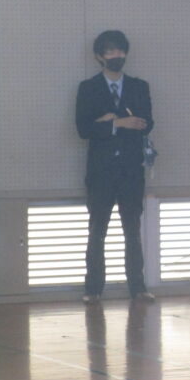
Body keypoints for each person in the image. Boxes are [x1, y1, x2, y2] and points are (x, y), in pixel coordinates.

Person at [75, 29, 154, 303]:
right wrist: (119, 123)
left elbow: (147, 123)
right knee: (97, 230)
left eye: (120, 50)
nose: (116, 55)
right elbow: (83, 129)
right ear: (100, 56)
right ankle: (93, 289)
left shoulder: (139, 86)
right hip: (101, 172)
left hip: (131, 171)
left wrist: (110, 122)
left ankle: (138, 288)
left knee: (132, 230)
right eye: (110, 51)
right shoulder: (88, 88)